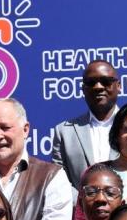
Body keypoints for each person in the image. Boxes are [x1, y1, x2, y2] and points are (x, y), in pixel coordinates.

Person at [51, 59, 121, 188]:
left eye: (106, 81)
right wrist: (84, 203)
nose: (98, 87)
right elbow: (59, 182)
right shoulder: (64, 132)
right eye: (91, 82)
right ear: (83, 89)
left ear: (119, 86)